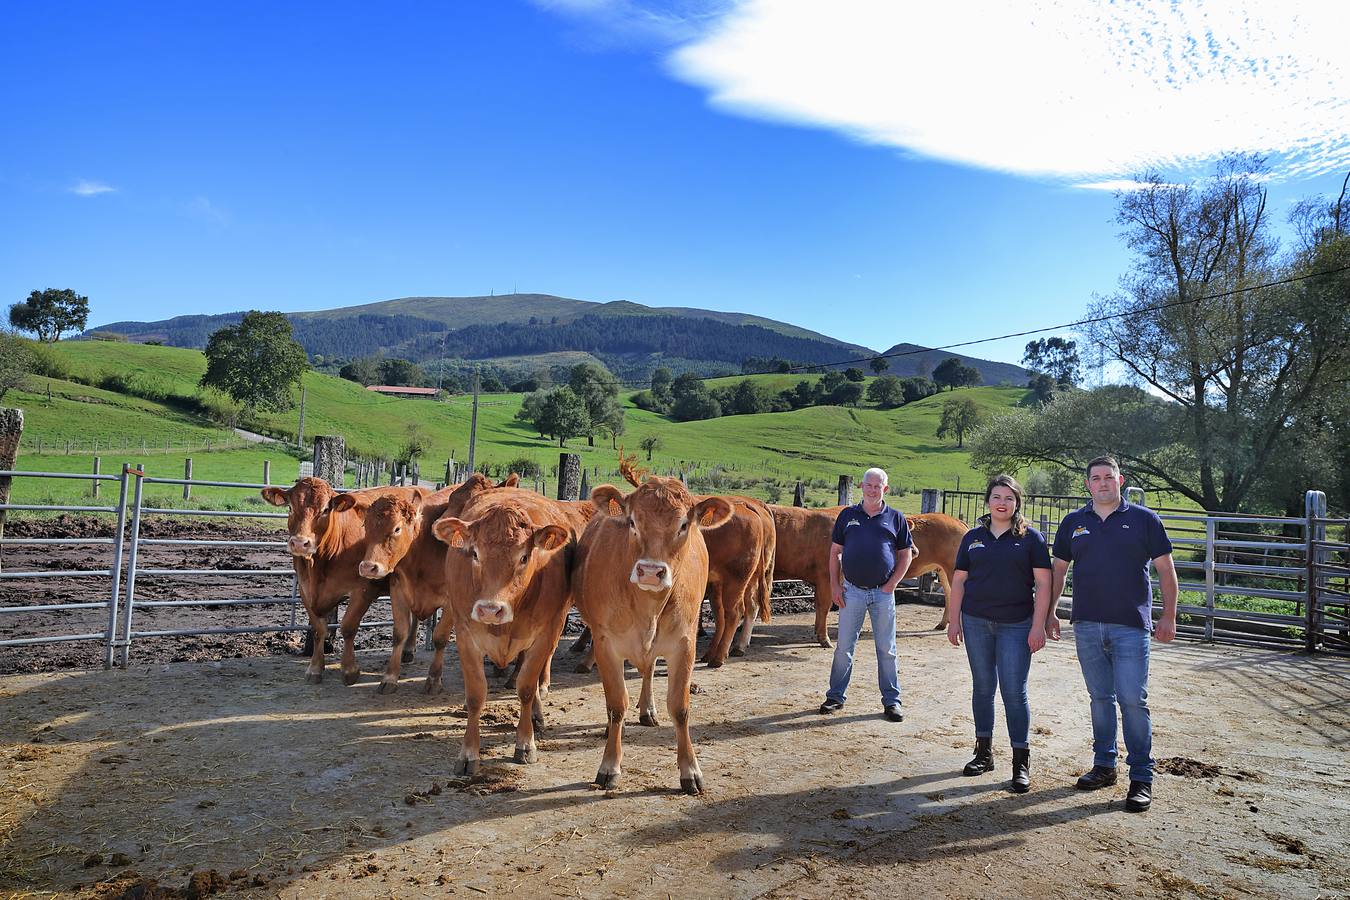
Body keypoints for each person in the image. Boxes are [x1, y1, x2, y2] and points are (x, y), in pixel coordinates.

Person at [1051, 455, 1178, 813]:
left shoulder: (1144, 520)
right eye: (1096, 478)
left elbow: (1167, 572)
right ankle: (1105, 765)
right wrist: (1049, 613)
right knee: (1099, 698)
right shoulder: (1074, 523)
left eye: (1109, 477)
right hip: (1088, 624)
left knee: (1133, 700)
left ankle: (1141, 777)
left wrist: (1168, 616)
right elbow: (1058, 572)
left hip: (1130, 626)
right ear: (1087, 484)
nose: (1103, 483)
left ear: (1120, 481)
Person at [946, 474, 1054, 793]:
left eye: (1008, 497)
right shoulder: (972, 538)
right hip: (976, 621)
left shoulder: (1030, 538)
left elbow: (1044, 584)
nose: (1002, 503)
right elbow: (960, 581)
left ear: (1017, 502)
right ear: (988, 501)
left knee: (1013, 690)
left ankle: (1021, 761)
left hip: (1016, 624)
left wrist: (1038, 625)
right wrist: (954, 621)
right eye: (996, 496)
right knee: (982, 688)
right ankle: (983, 753)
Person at [819, 466, 913, 722]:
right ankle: (835, 696)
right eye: (868, 485)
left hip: (883, 594)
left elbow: (905, 555)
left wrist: (892, 584)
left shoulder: (896, 517)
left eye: (878, 486)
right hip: (852, 592)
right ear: (861, 487)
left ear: (886, 489)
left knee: (887, 649)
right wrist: (835, 586)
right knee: (844, 648)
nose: (873, 490)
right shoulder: (848, 516)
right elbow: (834, 552)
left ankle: (892, 701)